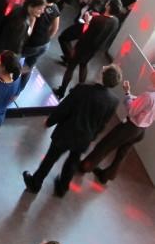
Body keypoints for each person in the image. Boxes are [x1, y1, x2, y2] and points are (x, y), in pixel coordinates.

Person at [22, 64, 122, 197]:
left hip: (67, 132)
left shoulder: (82, 89)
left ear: (103, 76)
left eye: (104, 69)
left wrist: (50, 121)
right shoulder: (113, 101)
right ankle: (62, 187)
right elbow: (102, 124)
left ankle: (35, 183)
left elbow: (64, 108)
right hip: (85, 138)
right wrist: (92, 136)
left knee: (50, 158)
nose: (102, 68)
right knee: (72, 162)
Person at [80, 69, 155, 184]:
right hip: (141, 130)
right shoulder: (150, 96)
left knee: (105, 145)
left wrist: (127, 94)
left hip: (130, 128)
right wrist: (129, 93)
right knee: (122, 154)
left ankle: (85, 166)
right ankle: (107, 175)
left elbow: (132, 111)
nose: (153, 72)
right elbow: (142, 105)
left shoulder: (148, 96)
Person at [54, 0, 123, 99]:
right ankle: (80, 90)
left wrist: (87, 21)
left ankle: (61, 91)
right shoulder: (115, 22)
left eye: (108, 2)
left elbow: (85, 33)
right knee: (83, 65)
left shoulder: (98, 20)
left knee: (71, 67)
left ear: (109, 6)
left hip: (83, 46)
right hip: (94, 49)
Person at [0, 0, 46, 71]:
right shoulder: (21, 24)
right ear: (30, 6)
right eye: (39, 8)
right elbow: (16, 47)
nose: (42, 11)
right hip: (2, 57)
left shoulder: (18, 8)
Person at [21, 0, 63, 90]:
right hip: (44, 44)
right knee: (28, 67)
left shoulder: (39, 6)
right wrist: (46, 39)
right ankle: (19, 90)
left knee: (14, 58)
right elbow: (55, 28)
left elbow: (30, 26)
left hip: (31, 44)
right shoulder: (55, 9)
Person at [58, 0, 105, 64]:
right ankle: (69, 57)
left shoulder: (95, 7)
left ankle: (69, 58)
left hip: (82, 27)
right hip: (79, 25)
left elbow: (90, 15)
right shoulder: (91, 1)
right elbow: (84, 11)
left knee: (63, 37)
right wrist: (82, 3)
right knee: (65, 38)